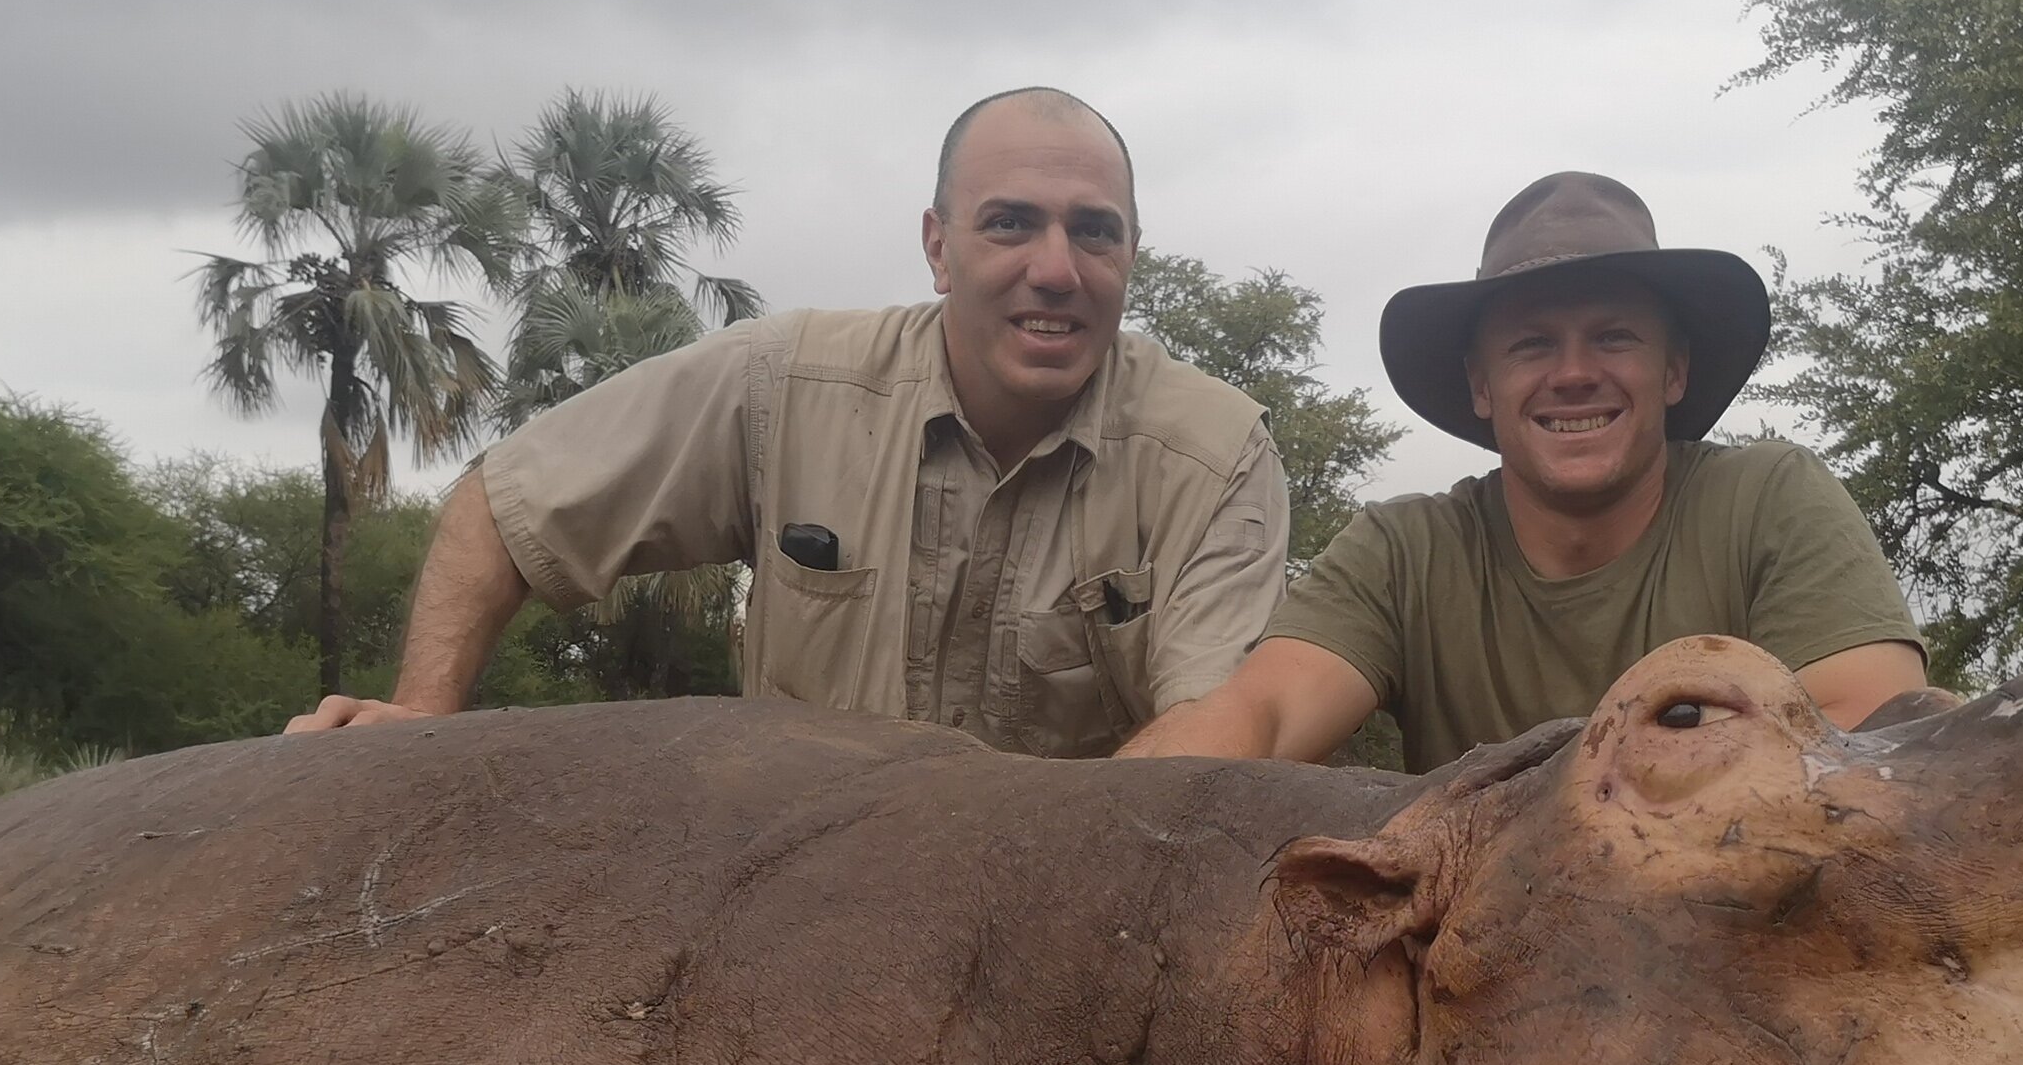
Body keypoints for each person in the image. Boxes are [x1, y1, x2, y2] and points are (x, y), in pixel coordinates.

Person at [289, 87, 1289, 755]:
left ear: (1130, 257)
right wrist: (418, 719)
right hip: (784, 912)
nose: (1055, 268)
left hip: (1059, 923)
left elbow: (1211, 739)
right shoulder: (784, 380)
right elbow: (506, 508)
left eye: (1094, 232)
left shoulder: (1215, 454)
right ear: (938, 248)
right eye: (1010, 222)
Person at [1118, 171, 1926, 771]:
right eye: (1532, 344)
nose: (1573, 373)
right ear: (1482, 384)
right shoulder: (1406, 550)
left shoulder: (1769, 498)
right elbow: (1260, 712)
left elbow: (1878, 741)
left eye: (1614, 337)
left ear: (1673, 372)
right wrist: (1107, 829)